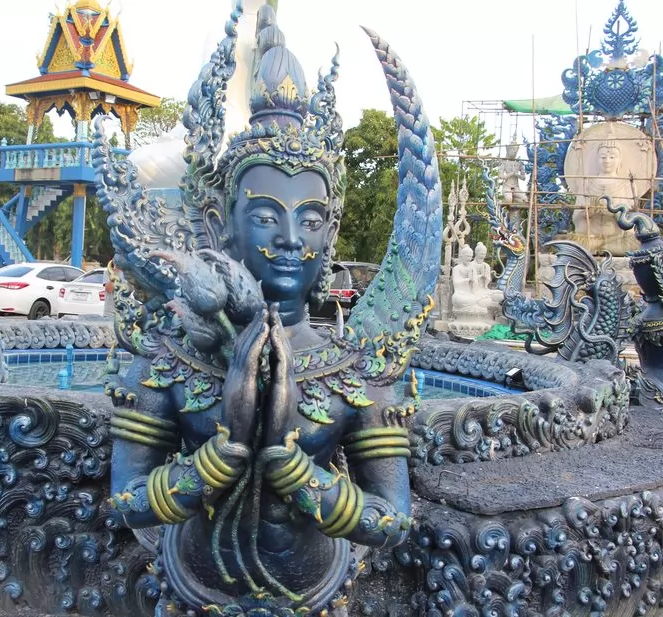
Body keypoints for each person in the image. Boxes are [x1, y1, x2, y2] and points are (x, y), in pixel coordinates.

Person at [100, 5, 423, 615]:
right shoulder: (168, 359)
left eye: (311, 219)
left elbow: (392, 520)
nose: (291, 240)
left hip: (317, 587)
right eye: (268, 215)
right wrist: (211, 467)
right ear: (221, 225)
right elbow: (124, 502)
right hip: (191, 584)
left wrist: (300, 477)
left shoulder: (358, 368)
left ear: (330, 235)